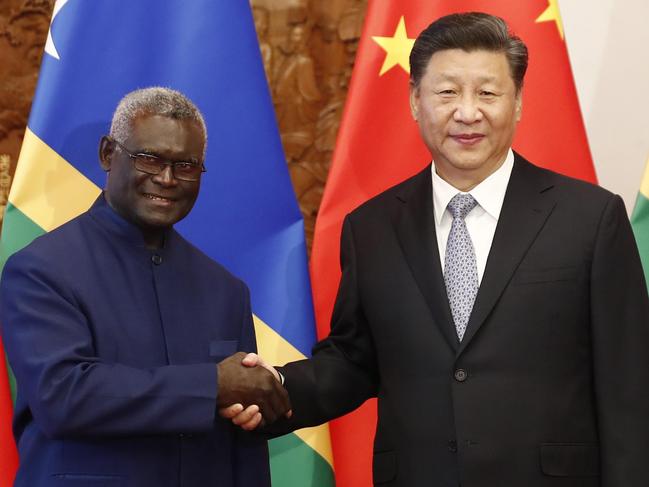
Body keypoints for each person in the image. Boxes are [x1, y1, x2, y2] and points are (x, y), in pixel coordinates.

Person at [223, 12, 649, 486]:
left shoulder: (590, 218)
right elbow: (353, 361)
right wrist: (277, 389)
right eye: (447, 93)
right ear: (415, 100)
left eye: (487, 93)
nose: (467, 113)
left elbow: (629, 387)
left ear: (519, 102)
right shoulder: (372, 228)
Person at [0, 87, 290, 487]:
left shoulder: (226, 290)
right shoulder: (41, 270)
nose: (167, 179)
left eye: (186, 166)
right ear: (107, 154)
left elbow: (242, 439)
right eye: (149, 159)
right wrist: (214, 385)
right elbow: (63, 397)